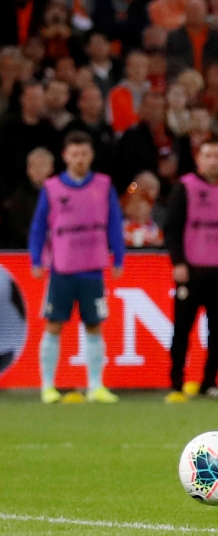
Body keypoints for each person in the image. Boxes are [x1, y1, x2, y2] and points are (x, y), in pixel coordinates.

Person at [28, 131, 125, 404]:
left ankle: (95, 386)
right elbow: (39, 227)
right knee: (54, 324)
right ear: (65, 156)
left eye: (84, 153)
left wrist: (119, 257)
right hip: (62, 268)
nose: (79, 159)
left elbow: (114, 223)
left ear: (91, 155)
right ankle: (48, 386)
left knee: (94, 325)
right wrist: (36, 259)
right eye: (74, 154)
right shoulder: (52, 188)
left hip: (93, 268)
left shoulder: (104, 185)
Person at [164, 138, 218, 402]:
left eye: (217, 155)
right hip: (193, 270)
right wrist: (178, 262)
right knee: (182, 328)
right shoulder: (185, 187)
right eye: (208, 156)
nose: (213, 161)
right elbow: (172, 227)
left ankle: (210, 382)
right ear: (199, 159)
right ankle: (176, 382)